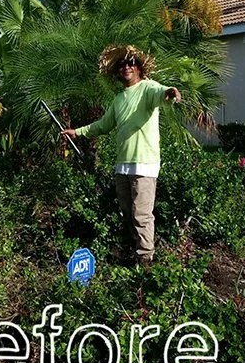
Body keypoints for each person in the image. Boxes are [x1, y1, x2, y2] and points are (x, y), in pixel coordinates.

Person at [62, 45, 181, 266]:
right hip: (122, 166)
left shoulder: (147, 88)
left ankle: (146, 260)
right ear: (118, 71)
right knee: (129, 213)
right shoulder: (118, 100)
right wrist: (76, 133)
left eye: (131, 63)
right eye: (122, 64)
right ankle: (134, 252)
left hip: (144, 165)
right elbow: (103, 125)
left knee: (142, 214)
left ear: (139, 68)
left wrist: (169, 92)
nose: (126, 67)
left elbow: (160, 92)